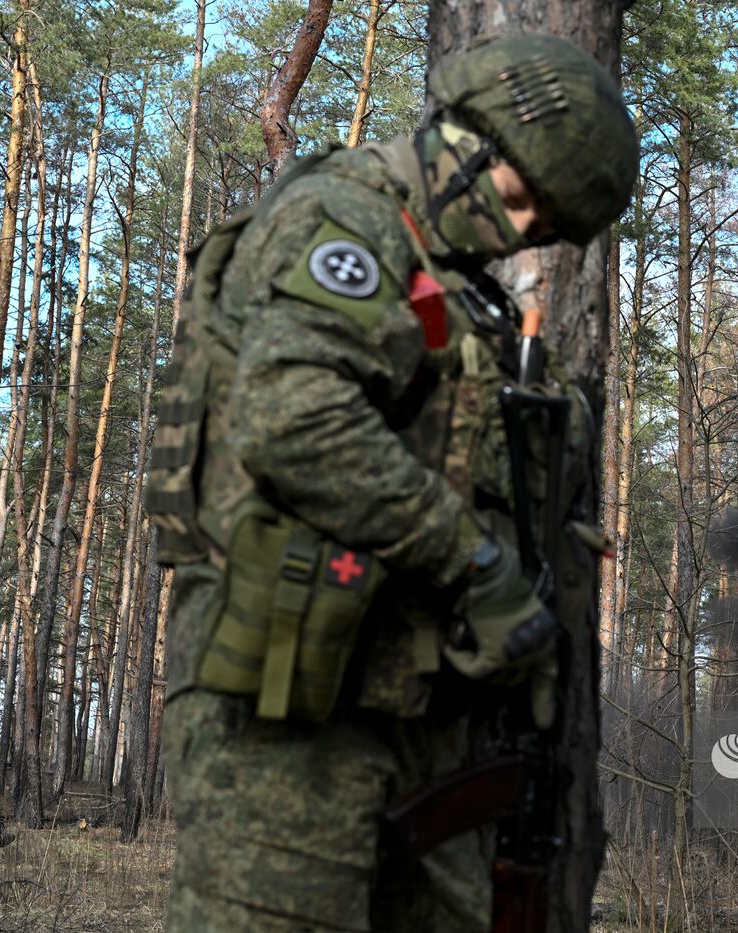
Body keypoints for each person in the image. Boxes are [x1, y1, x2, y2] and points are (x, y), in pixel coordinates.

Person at [147, 33, 637, 932]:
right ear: (466, 137)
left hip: (416, 713)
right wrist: (473, 566)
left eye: (545, 225)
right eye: (520, 199)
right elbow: (294, 418)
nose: (522, 233)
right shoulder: (345, 217)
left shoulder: (454, 286)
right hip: (287, 709)